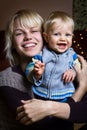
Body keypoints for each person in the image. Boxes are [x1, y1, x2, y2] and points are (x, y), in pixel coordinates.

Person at [0, 9, 87, 130]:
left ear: (44, 36)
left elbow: (84, 113)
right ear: (13, 43)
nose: (28, 37)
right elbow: (46, 125)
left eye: (34, 31)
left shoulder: (66, 64)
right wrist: (82, 87)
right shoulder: (6, 78)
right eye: (19, 33)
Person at [24, 11, 81, 102]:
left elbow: (79, 67)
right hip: (40, 94)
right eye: (56, 34)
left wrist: (73, 71)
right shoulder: (41, 54)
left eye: (67, 35)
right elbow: (29, 69)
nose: (63, 38)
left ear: (72, 37)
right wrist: (36, 73)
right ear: (46, 37)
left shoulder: (71, 55)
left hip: (65, 95)